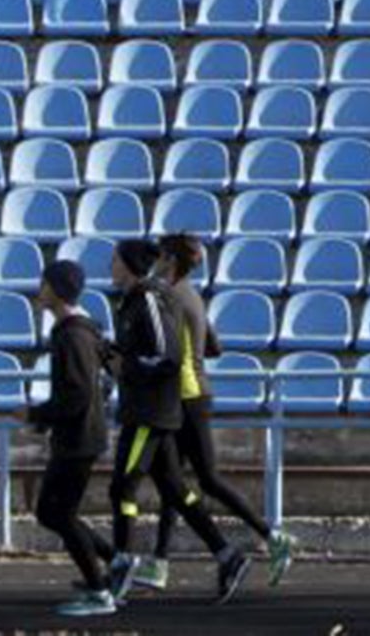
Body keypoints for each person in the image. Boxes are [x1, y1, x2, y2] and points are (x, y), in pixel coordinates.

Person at [138, 233, 298, 593]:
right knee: (172, 482)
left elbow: (167, 350)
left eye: (161, 256)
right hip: (195, 393)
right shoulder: (191, 295)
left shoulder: (168, 296)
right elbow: (214, 347)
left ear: (170, 260)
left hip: (183, 397)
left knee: (202, 479)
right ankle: (159, 563)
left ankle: (271, 536)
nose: (156, 261)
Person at [104, 237, 252, 605]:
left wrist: (127, 366)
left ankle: (121, 566)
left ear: (129, 264)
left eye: (115, 260)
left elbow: (165, 356)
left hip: (149, 412)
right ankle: (227, 554)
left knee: (122, 487)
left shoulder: (150, 298)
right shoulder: (131, 301)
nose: (110, 266)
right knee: (174, 489)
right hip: (145, 407)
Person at [29, 259, 119, 618]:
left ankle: (100, 590)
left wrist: (36, 414)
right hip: (82, 434)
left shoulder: (73, 334)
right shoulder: (81, 330)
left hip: (78, 436)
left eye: (44, 283)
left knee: (55, 513)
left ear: (55, 288)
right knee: (56, 512)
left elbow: (78, 394)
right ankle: (118, 563)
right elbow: (104, 377)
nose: (40, 289)